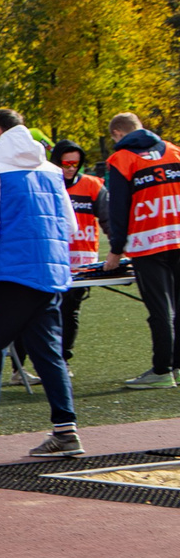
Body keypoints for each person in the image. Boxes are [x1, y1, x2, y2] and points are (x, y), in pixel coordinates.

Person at [0, 110, 81, 457]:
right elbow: (69, 226)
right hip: (50, 274)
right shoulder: (52, 169)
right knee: (49, 355)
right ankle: (65, 430)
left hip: (7, 273)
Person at [99, 112, 180, 388]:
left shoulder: (121, 160)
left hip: (148, 243)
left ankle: (161, 370)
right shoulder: (174, 151)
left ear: (117, 135)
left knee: (160, 309)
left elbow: (118, 208)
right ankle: (176, 366)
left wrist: (116, 249)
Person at [52, 141, 104, 367]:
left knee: (70, 311)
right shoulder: (49, 184)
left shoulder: (92, 185)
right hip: (54, 261)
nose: (71, 168)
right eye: (66, 163)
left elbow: (108, 218)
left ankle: (63, 360)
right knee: (46, 312)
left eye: (76, 163)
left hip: (83, 263)